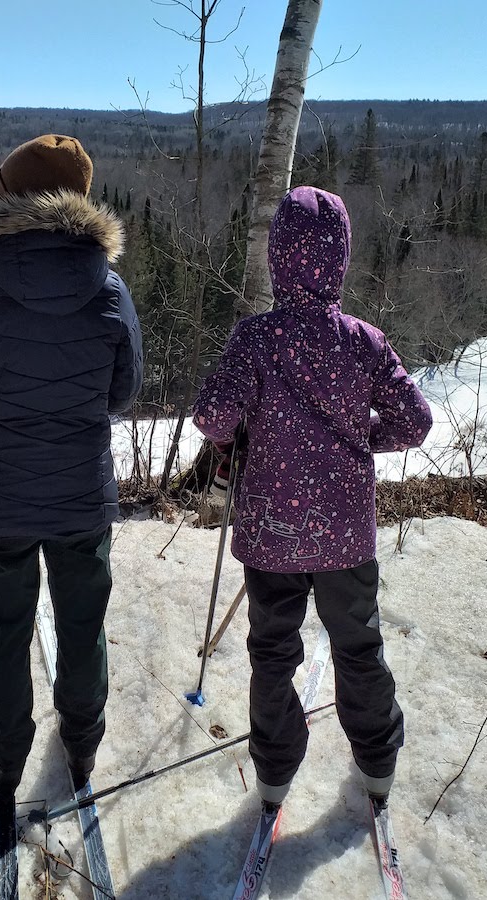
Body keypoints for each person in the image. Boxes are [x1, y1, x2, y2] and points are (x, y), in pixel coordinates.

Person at [191, 186, 432, 808]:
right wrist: (362, 437)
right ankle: (378, 762)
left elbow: (213, 417)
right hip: (346, 533)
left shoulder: (256, 338)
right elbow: (415, 422)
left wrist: (245, 427)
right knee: (358, 646)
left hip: (270, 532)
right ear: (341, 257)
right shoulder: (364, 341)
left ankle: (274, 770)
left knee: (273, 653)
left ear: (277, 257)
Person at [0, 134, 143, 792]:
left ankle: (7, 751)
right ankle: (82, 741)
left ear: (11, 197)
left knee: (7, 625)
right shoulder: (110, 289)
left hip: (1, 492)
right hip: (82, 492)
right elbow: (124, 394)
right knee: (83, 623)